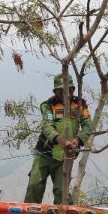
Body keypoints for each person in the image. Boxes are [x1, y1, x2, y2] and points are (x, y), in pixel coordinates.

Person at [25, 75, 94, 205]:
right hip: (44, 154)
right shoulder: (48, 105)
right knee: (35, 186)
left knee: (61, 191)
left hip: (65, 157)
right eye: (61, 90)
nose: (66, 93)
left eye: (69, 90)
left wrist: (78, 140)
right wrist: (61, 140)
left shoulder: (80, 105)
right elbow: (47, 126)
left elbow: (88, 125)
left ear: (73, 89)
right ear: (56, 91)